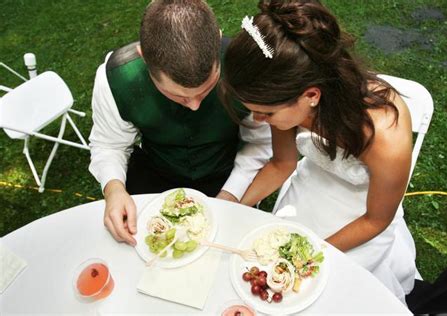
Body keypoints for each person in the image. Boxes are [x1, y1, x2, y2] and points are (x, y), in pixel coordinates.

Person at [220, 0, 417, 302]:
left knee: (322, 294)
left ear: (311, 95)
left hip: (361, 218)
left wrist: (310, 254)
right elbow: (281, 164)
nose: (258, 121)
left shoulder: (384, 136)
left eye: (266, 114)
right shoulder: (283, 92)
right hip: (310, 191)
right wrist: (233, 206)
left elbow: (376, 220)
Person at [88, 0, 271, 247]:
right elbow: (109, 145)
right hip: (155, 175)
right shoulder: (115, 77)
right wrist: (114, 189)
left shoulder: (246, 69)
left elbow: (260, 143)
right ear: (144, 56)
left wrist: (231, 194)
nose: (194, 105)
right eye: (178, 95)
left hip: (227, 172)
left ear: (217, 40)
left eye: (206, 89)